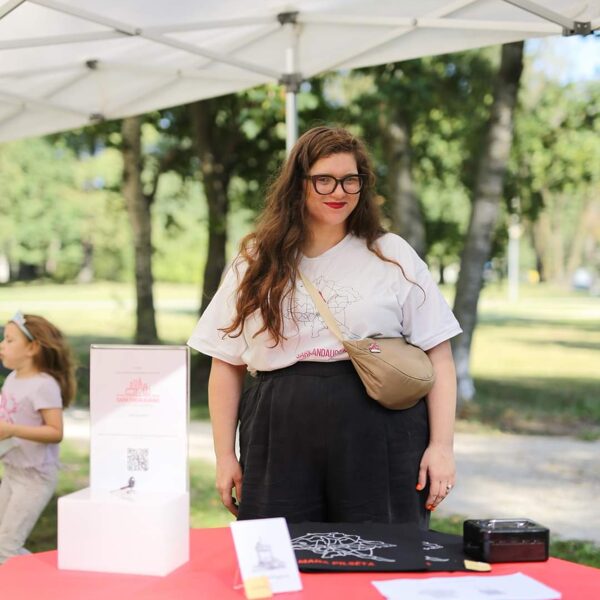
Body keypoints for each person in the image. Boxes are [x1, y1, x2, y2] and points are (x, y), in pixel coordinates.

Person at [188, 126, 461, 526]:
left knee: (379, 552)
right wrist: (225, 455)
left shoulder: (391, 253)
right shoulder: (257, 260)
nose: (339, 192)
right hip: (278, 433)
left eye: (351, 180)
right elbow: (225, 362)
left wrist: (441, 447)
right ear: (298, 183)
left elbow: (439, 355)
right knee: (283, 552)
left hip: (380, 433)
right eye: (324, 180)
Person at [0, 311, 76, 563]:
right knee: (2, 545)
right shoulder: (12, 379)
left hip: (34, 478)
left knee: (6, 548)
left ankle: (38, 581)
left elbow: (56, 432)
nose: (2, 345)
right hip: (12, 472)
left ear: (32, 348)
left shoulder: (44, 385)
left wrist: (12, 430)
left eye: (9, 340)